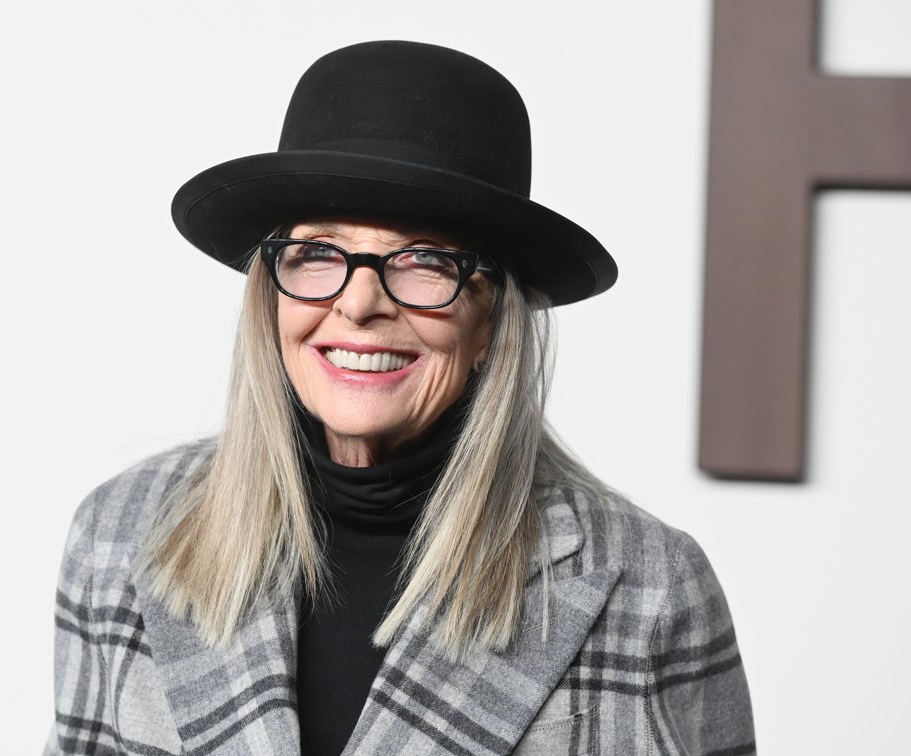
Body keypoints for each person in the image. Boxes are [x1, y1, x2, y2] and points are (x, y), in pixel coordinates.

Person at [45, 41, 755, 755]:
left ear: (492, 321)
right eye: (318, 252)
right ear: (270, 295)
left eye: (425, 261)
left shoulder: (651, 589)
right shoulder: (121, 535)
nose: (359, 304)